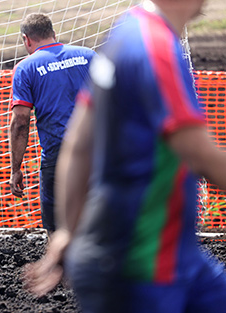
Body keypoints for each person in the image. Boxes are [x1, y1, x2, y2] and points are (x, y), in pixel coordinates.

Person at [23, 0, 226, 312]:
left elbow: (78, 144)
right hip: (138, 264)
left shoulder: (128, 29)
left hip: (176, 253)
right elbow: (200, 156)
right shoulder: (157, 50)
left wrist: (68, 229)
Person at [9, 13, 96, 232]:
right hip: (100, 146)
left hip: (60, 153)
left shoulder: (26, 68)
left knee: (57, 225)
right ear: (53, 33)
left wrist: (16, 168)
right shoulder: (88, 55)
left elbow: (20, 121)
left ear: (26, 39)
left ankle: (62, 263)